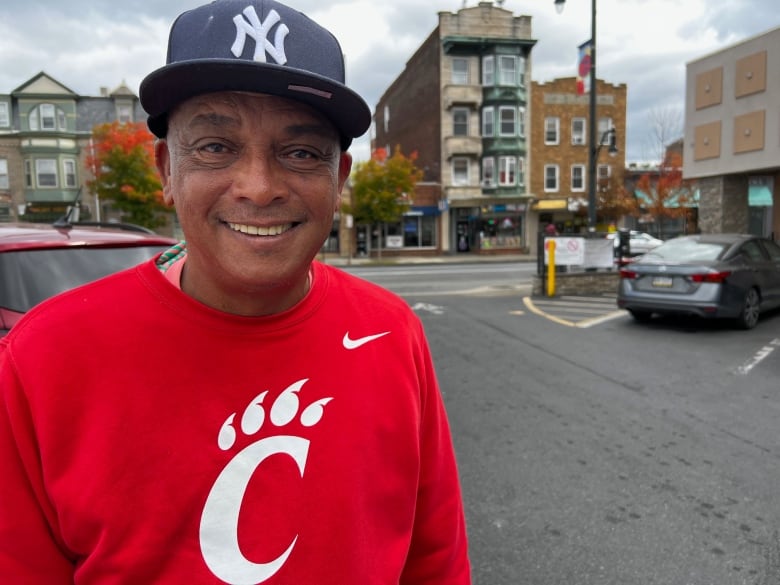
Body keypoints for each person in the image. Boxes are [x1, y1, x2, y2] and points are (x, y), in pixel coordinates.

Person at [0, 1, 471, 583]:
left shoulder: (392, 331)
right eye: (216, 147)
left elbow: (436, 561)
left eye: (300, 153)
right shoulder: (44, 355)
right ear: (167, 170)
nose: (258, 187)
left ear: (339, 180)